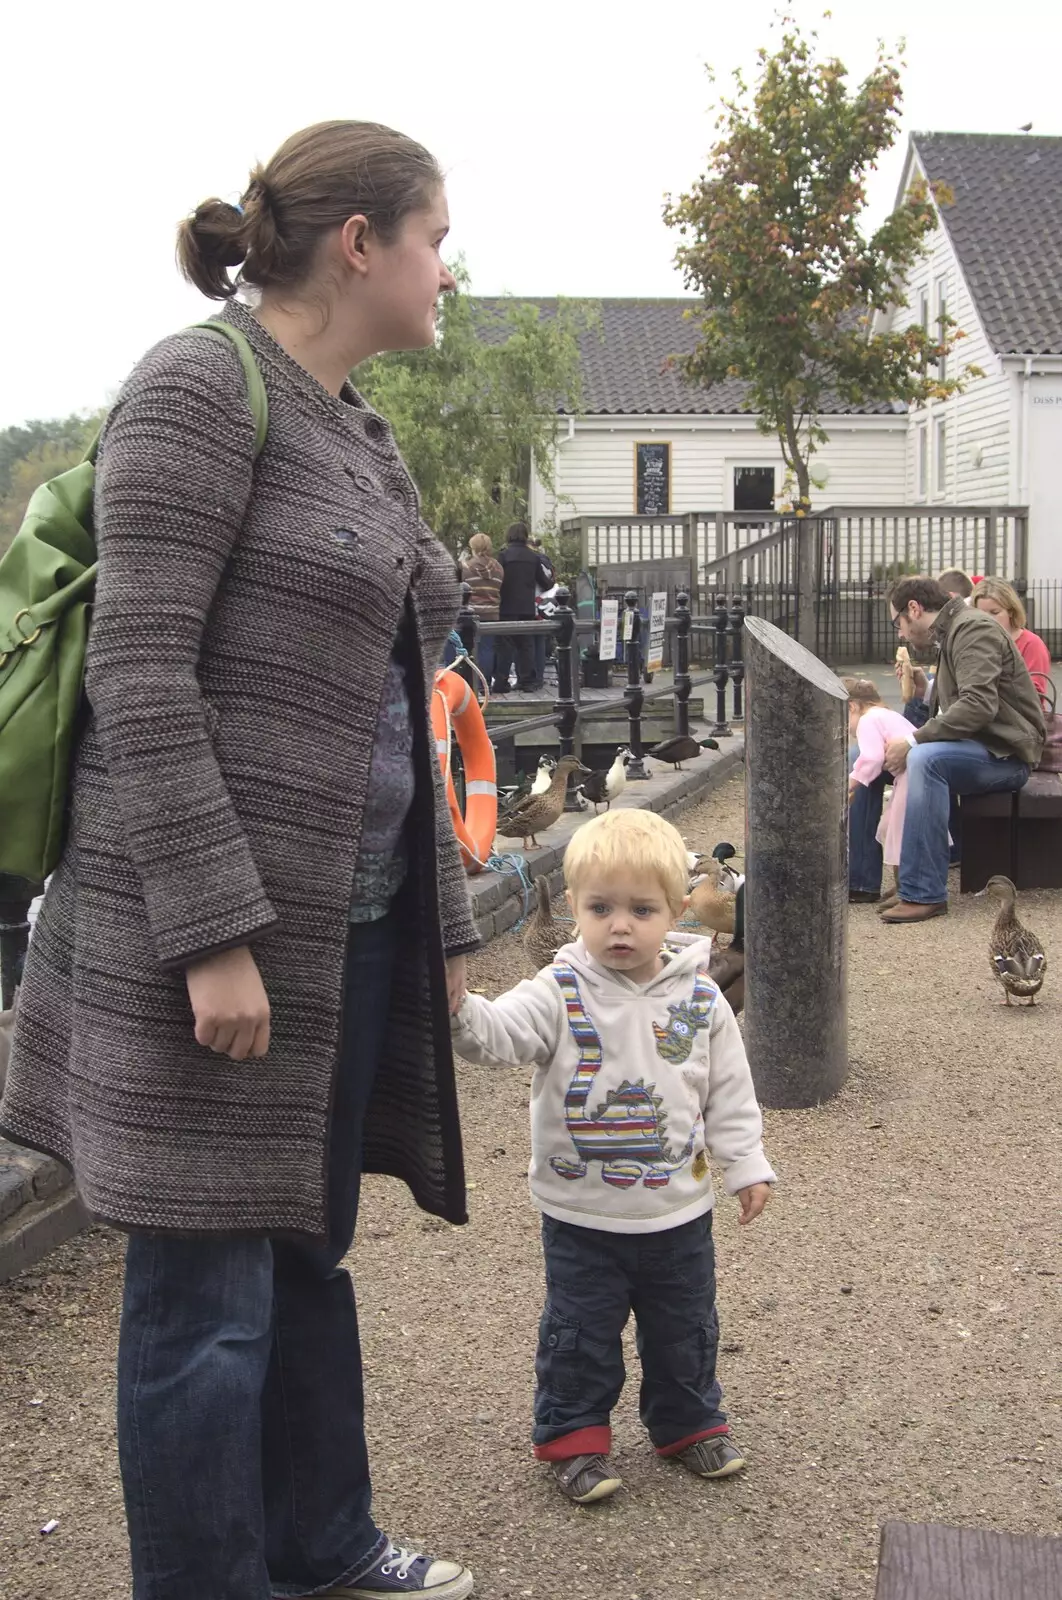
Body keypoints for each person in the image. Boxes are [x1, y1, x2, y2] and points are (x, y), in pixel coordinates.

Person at [0, 121, 479, 1600]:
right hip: (207, 939)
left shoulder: (354, 424)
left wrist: (439, 926)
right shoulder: (197, 388)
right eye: (436, 238)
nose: (448, 267)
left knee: (299, 1257)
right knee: (203, 1299)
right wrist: (210, 935)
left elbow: (403, 673)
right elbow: (139, 673)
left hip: (346, 928)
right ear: (359, 244)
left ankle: (322, 1542)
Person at [449, 809, 775, 1505]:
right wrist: (458, 1008)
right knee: (580, 1331)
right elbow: (496, 1037)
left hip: (678, 1211)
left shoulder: (699, 998)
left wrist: (745, 1163)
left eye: (640, 909)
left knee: (686, 1325)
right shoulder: (557, 993)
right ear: (573, 908)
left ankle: (687, 1422)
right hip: (582, 1214)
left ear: (677, 910)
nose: (619, 925)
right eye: (600, 908)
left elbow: (728, 1091)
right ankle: (572, 1435)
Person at [881, 576, 1045, 924]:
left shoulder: (972, 629)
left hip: (1008, 755)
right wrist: (926, 688)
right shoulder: (954, 629)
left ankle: (924, 892)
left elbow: (978, 705)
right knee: (864, 756)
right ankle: (860, 882)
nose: (901, 634)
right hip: (981, 746)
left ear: (914, 609)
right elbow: (960, 704)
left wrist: (912, 740)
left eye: (899, 623)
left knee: (925, 758)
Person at [844, 678, 917, 907]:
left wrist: (849, 785)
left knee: (895, 829)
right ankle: (903, 883)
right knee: (893, 827)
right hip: (911, 772)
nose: (847, 729)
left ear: (852, 707)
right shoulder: (886, 714)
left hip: (911, 775)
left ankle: (905, 887)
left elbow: (872, 758)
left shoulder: (868, 720)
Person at [493, 522, 552, 694]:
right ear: (525, 536)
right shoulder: (533, 557)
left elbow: (497, 581)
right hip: (526, 607)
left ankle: (501, 682)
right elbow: (545, 582)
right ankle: (526, 681)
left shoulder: (503, 556)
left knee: (504, 645)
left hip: (506, 607)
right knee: (525, 645)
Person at [971, 576, 1052, 700]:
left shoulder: (1032, 644)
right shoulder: (974, 642)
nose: (988, 620)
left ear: (1011, 611)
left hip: (1019, 718)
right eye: (981, 613)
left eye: (995, 612)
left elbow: (1034, 695)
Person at [459, 531, 503, 685]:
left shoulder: (467, 567)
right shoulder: (498, 568)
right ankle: (485, 684)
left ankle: (470, 684)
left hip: (471, 614)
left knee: (469, 648)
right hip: (492, 613)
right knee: (487, 649)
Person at [528, 535, 556, 691]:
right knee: (540, 641)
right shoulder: (546, 561)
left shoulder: (533, 560)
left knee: (528, 642)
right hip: (545, 604)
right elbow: (549, 582)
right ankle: (539, 676)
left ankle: (532, 676)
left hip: (531, 601)